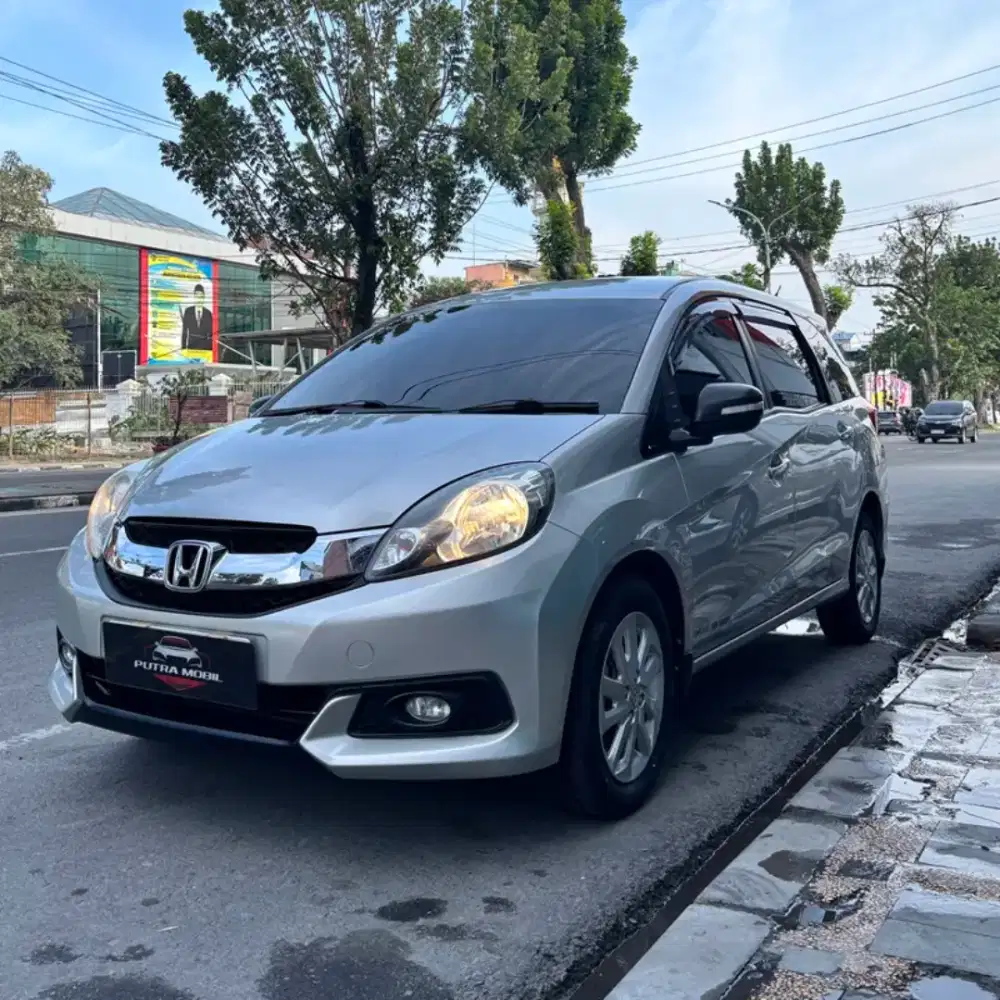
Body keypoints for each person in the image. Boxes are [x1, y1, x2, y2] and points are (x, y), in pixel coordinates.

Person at [180, 284, 213, 353]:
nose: (199, 299)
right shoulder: (188, 311)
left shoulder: (208, 313)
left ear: (203, 297)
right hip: (191, 349)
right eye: (197, 296)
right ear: (194, 297)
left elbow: (210, 336)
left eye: (201, 296)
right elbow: (184, 333)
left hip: (205, 351)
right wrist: (183, 349)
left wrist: (210, 351)